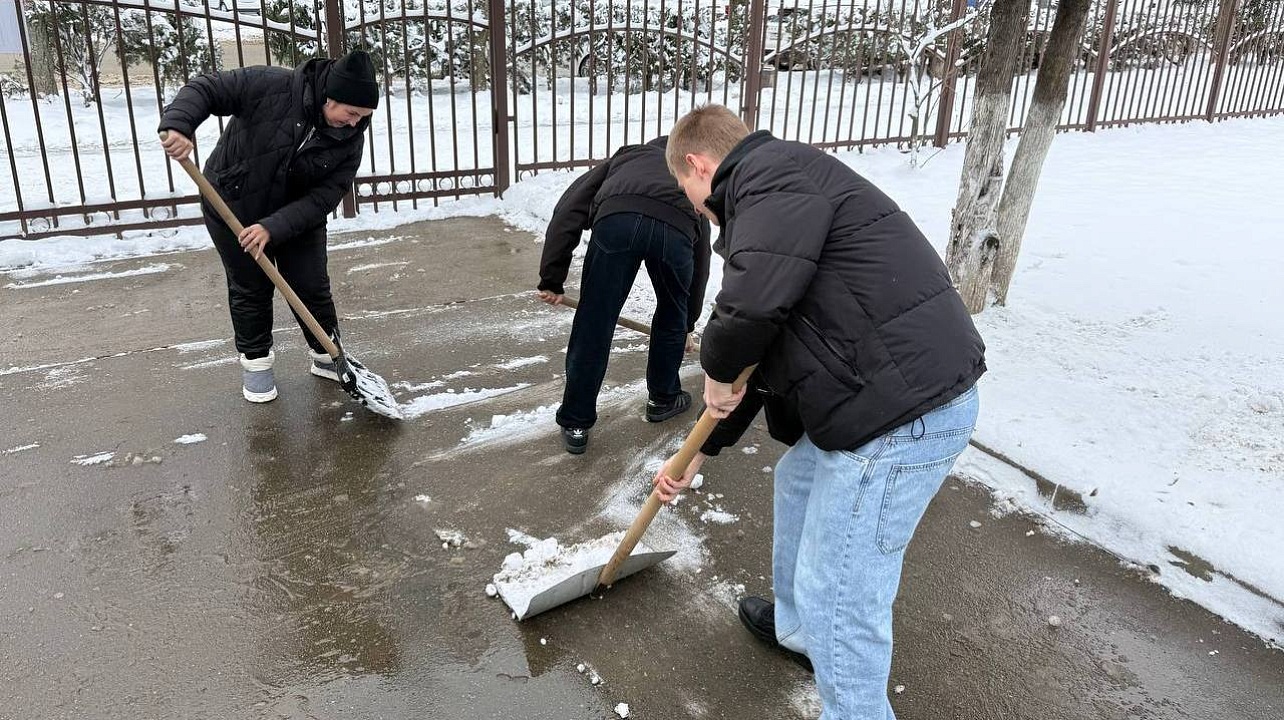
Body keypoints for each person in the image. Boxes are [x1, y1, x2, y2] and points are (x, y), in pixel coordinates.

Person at [654, 105, 986, 719]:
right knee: (798, 476)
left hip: (902, 415)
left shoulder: (771, 183)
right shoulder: (784, 184)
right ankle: (802, 632)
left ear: (699, 166)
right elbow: (767, 343)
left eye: (687, 191)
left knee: (842, 596)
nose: (696, 208)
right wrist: (699, 452)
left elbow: (748, 311)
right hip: (886, 393)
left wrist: (717, 372)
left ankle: (829, 645)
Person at [158, 50, 378, 403]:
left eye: (363, 118)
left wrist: (272, 227)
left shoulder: (351, 139)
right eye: (351, 113)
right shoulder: (271, 85)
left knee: (310, 284)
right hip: (234, 202)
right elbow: (207, 88)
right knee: (250, 286)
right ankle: (256, 365)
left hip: (296, 216)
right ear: (329, 97)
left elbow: (324, 197)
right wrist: (180, 125)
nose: (355, 124)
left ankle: (328, 357)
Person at [538, 136, 712, 455]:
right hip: (675, 230)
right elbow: (701, 264)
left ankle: (576, 421)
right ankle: (663, 398)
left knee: (595, 319)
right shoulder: (692, 176)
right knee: (671, 315)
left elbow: (569, 209)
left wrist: (552, 277)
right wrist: (686, 321)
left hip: (616, 220)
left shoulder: (626, 157)